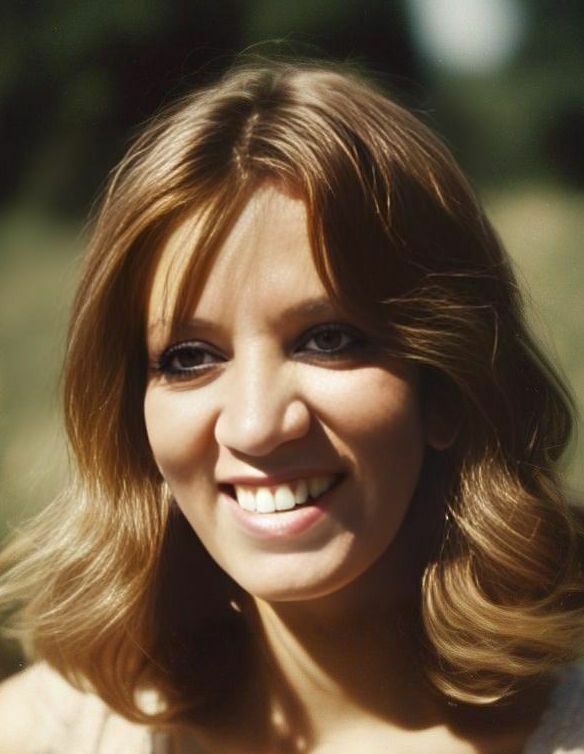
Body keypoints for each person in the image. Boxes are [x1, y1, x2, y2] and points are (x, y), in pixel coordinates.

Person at [0, 58, 583, 754]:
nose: (257, 426)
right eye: (188, 357)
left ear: (447, 386)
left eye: (327, 340)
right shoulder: (39, 734)